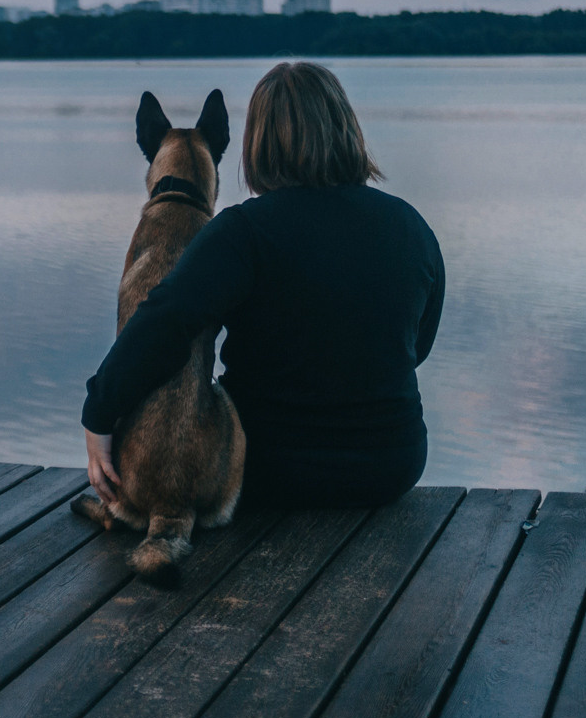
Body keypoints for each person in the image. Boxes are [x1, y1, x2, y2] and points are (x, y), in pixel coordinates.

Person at [81, 61, 445, 510]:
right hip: (392, 467)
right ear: (347, 128)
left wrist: (98, 414)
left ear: (258, 142)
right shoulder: (411, 228)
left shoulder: (243, 231)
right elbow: (416, 347)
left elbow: (163, 321)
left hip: (268, 470)